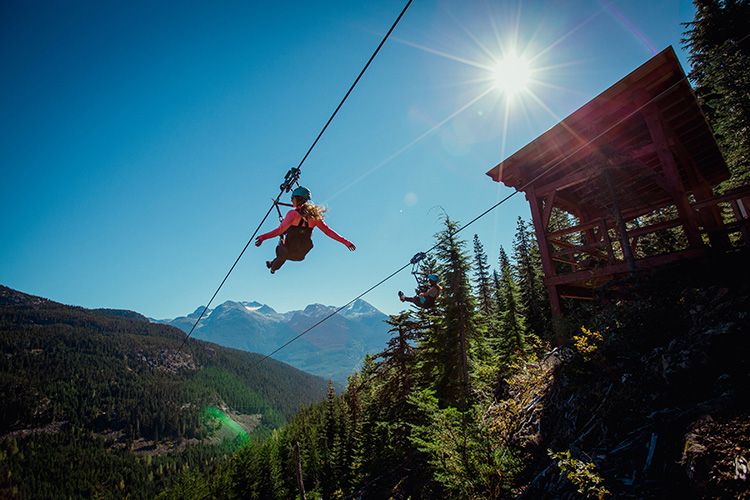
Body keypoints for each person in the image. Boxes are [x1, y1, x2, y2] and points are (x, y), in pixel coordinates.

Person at [255, 186, 355, 273]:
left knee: (283, 251)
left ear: (297, 198)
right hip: (300, 253)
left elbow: (279, 231)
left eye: (292, 198)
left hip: (288, 250)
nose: (291, 200)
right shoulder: (315, 217)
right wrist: (346, 242)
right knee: (283, 253)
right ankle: (272, 265)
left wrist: (262, 237)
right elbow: (328, 232)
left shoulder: (292, 214)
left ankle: (273, 267)